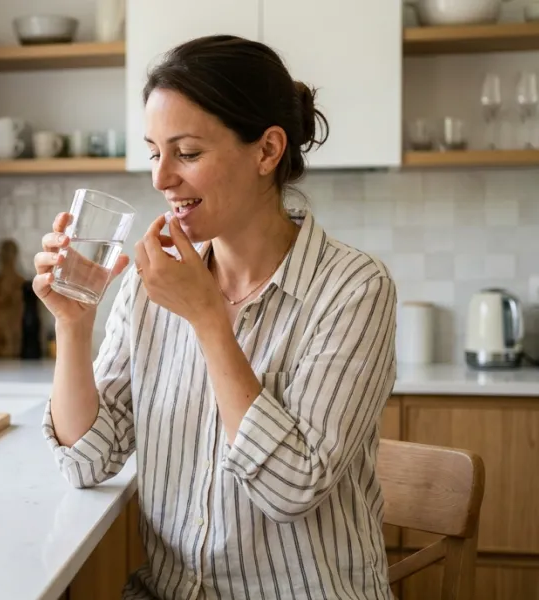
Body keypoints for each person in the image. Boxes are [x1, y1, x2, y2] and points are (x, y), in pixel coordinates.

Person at [32, 34, 398, 600]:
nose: (161, 178)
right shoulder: (150, 283)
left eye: (188, 153)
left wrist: (208, 320)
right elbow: (88, 459)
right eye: (156, 152)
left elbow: (291, 488)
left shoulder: (353, 288)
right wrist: (75, 324)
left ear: (267, 150)